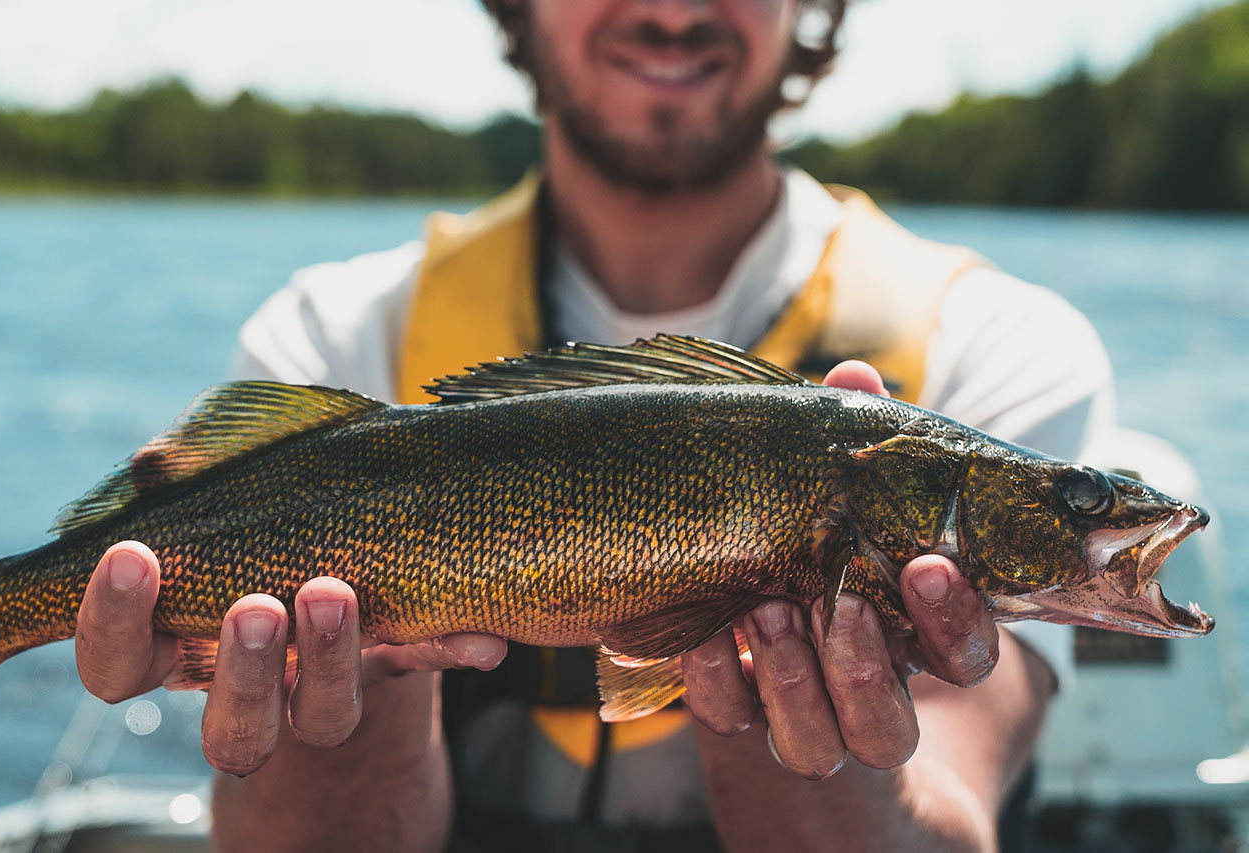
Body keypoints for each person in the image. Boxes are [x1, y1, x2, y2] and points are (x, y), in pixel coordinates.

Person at [73, 1, 1115, 849]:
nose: (669, 9)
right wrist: (353, 671)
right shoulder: (330, 334)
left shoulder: (999, 350)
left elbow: (950, 820)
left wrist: (793, 703)